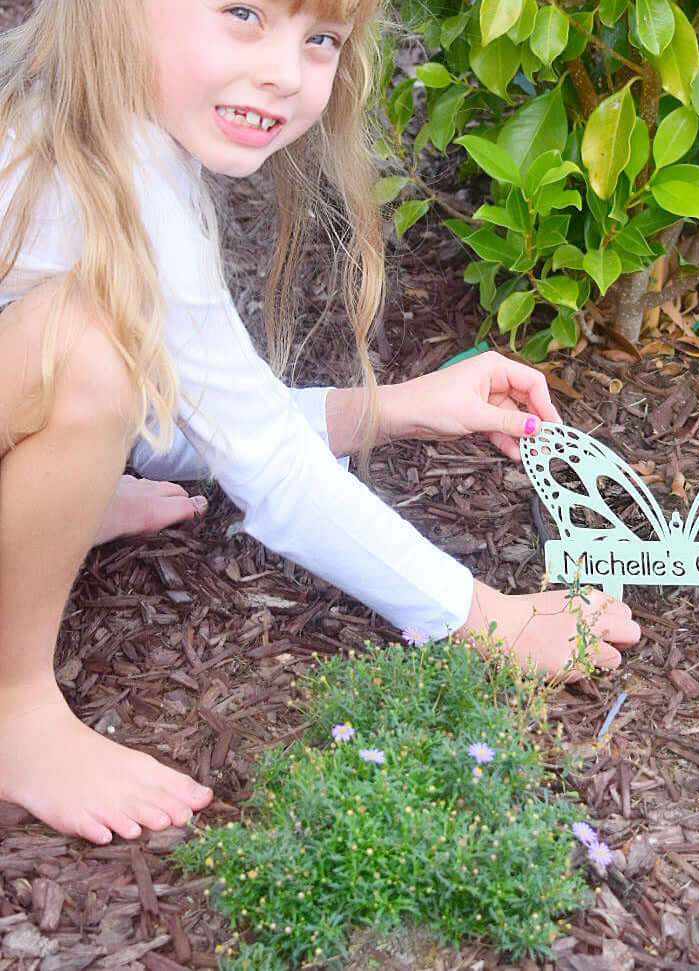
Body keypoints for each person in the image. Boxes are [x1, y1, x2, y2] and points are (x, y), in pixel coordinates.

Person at [0, 0, 640, 847]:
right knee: (83, 347)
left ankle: (57, 499)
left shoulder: (107, 124)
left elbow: (207, 411)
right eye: (242, 12)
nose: (284, 70)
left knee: (100, 353)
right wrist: (484, 616)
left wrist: (395, 410)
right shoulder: (97, 163)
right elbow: (261, 460)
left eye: (320, 40)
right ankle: (14, 710)